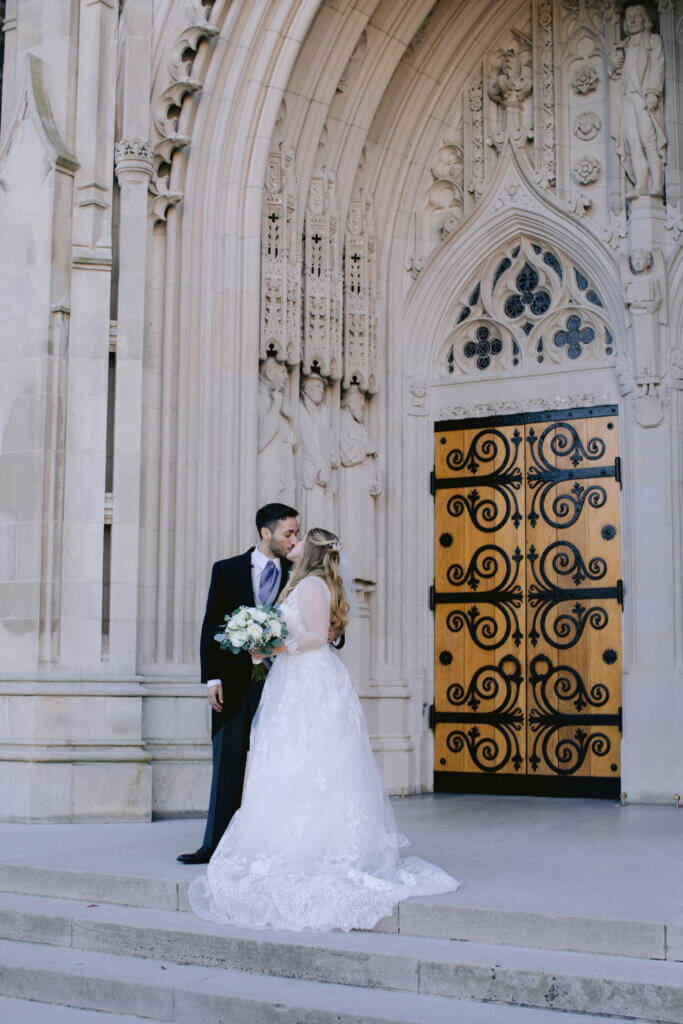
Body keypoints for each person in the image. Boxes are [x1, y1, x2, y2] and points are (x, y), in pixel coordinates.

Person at [188, 528, 458, 931]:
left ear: (310, 551)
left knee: (309, 760)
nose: (291, 544)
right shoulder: (309, 584)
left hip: (309, 681)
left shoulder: (313, 585)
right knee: (291, 760)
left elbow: (315, 637)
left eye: (298, 541)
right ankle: (288, 840)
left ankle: (313, 846)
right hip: (295, 681)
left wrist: (270, 648)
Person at [177, 503, 299, 865]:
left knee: (278, 762)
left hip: (282, 681)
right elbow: (212, 624)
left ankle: (269, 846)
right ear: (266, 533)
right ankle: (214, 847)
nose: (294, 540)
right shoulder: (226, 570)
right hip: (231, 682)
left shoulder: (300, 573)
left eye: (296, 533)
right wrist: (211, 677)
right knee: (228, 761)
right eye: (288, 533)